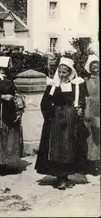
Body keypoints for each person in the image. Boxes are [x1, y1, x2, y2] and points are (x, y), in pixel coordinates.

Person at [35, 57, 89, 189]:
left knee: (70, 149)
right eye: (60, 72)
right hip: (56, 123)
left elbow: (82, 101)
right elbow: (45, 103)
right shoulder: (53, 86)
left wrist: (80, 108)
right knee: (58, 150)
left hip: (71, 122)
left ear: (70, 72)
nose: (61, 75)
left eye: (64, 72)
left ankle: (66, 176)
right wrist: (54, 113)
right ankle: (59, 178)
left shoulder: (77, 85)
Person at [84, 54, 100, 175]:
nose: (96, 68)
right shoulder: (85, 81)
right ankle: (91, 164)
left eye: (97, 66)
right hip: (90, 111)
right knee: (90, 138)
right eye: (93, 66)